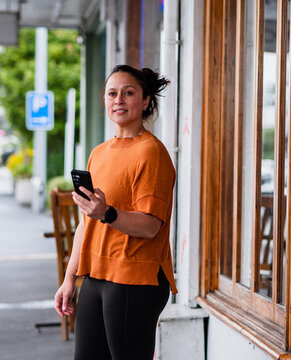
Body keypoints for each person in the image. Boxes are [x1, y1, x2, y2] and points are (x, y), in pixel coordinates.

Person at [54, 64, 177, 360]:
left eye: (128, 93)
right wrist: (70, 278)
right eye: (112, 93)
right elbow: (87, 223)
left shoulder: (151, 152)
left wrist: (107, 213)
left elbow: (150, 225)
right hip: (96, 276)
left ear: (146, 101)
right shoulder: (99, 152)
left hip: (135, 277)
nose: (118, 99)